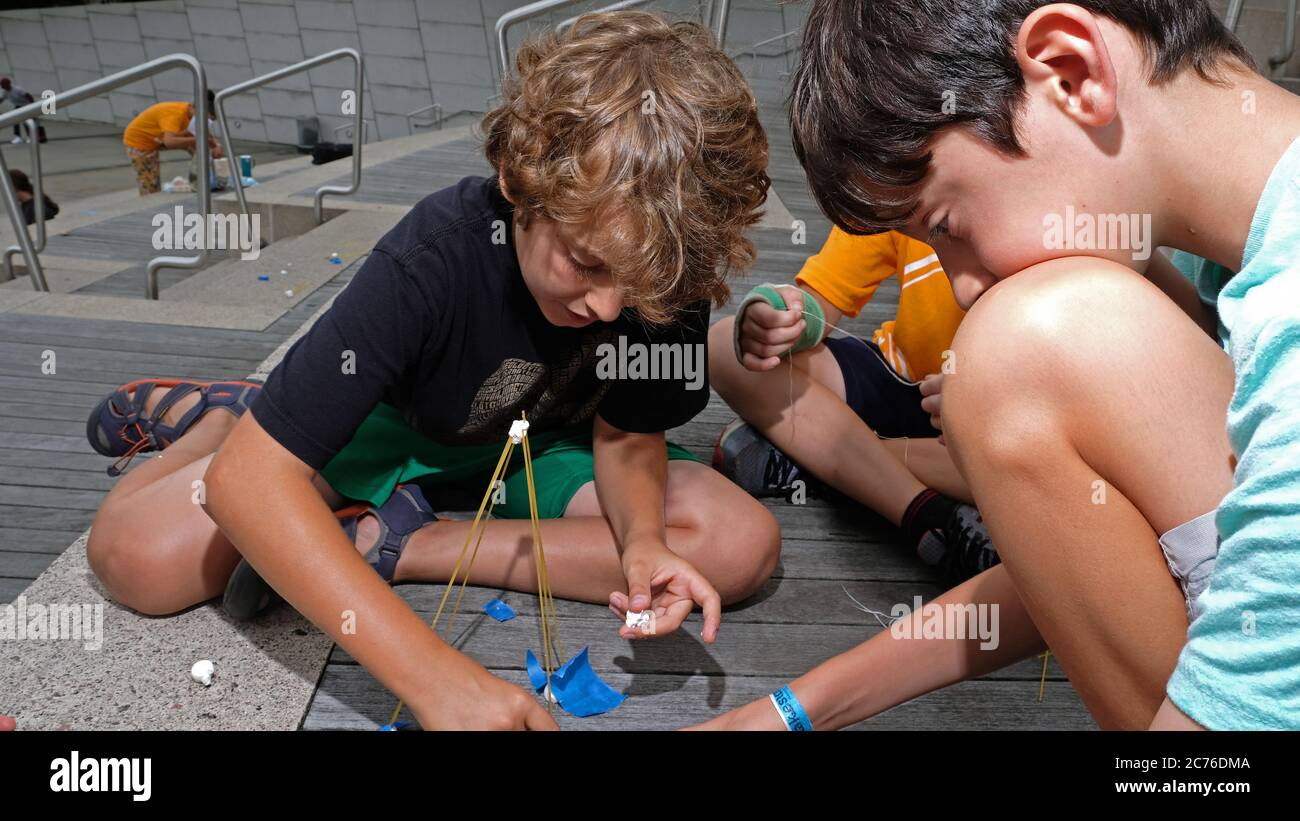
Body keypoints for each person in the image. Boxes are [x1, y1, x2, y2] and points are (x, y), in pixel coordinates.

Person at [84, 11, 778, 730]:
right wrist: (438, 680)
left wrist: (641, 543)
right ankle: (230, 418)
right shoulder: (432, 259)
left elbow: (627, 438)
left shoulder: (669, 268)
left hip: (544, 450)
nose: (609, 305)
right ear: (517, 178)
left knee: (737, 543)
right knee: (138, 557)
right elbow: (245, 486)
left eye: (637, 287)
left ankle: (401, 543)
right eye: (587, 263)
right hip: (392, 427)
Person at [698, 0, 1300, 731]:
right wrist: (790, 712)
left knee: (1017, 350)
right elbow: (1087, 577)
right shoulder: (1214, 275)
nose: (962, 285)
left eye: (945, 227)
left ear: (1070, 71)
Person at [710, 226, 997, 583]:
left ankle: (820, 461)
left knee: (1025, 469)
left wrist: (989, 396)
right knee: (725, 345)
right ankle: (929, 516)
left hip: (993, 419)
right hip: (900, 378)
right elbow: (821, 301)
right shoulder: (894, 184)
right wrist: (775, 317)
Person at [121, 89, 223, 195]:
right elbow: (170, 142)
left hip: (158, 137)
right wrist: (200, 140)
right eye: (207, 119)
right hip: (139, 141)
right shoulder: (175, 115)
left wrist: (216, 145)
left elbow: (204, 133)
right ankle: (149, 200)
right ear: (198, 110)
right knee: (150, 183)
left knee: (198, 149)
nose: (207, 123)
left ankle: (203, 177)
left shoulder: (192, 115)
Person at [0, 77, 46, 144]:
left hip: (26, 105)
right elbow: (1, 99)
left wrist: (33, 106)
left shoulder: (17, 89)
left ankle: (30, 137)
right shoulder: (4, 91)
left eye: (3, 85)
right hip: (18, 106)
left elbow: (28, 96)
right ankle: (18, 137)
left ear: (8, 84)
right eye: (1, 85)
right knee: (14, 120)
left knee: (27, 121)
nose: (2, 87)